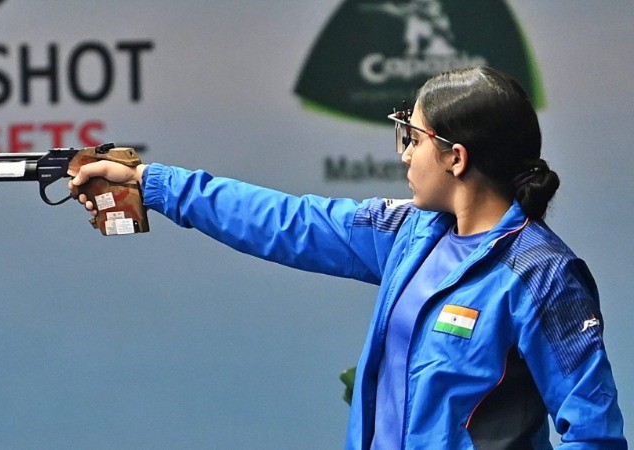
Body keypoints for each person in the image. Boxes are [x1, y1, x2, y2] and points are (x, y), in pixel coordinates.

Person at [68, 67, 627, 449]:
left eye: (413, 136)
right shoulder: (412, 231)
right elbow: (286, 221)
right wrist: (151, 183)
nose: (405, 153)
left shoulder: (542, 273)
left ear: (455, 158)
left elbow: (593, 433)